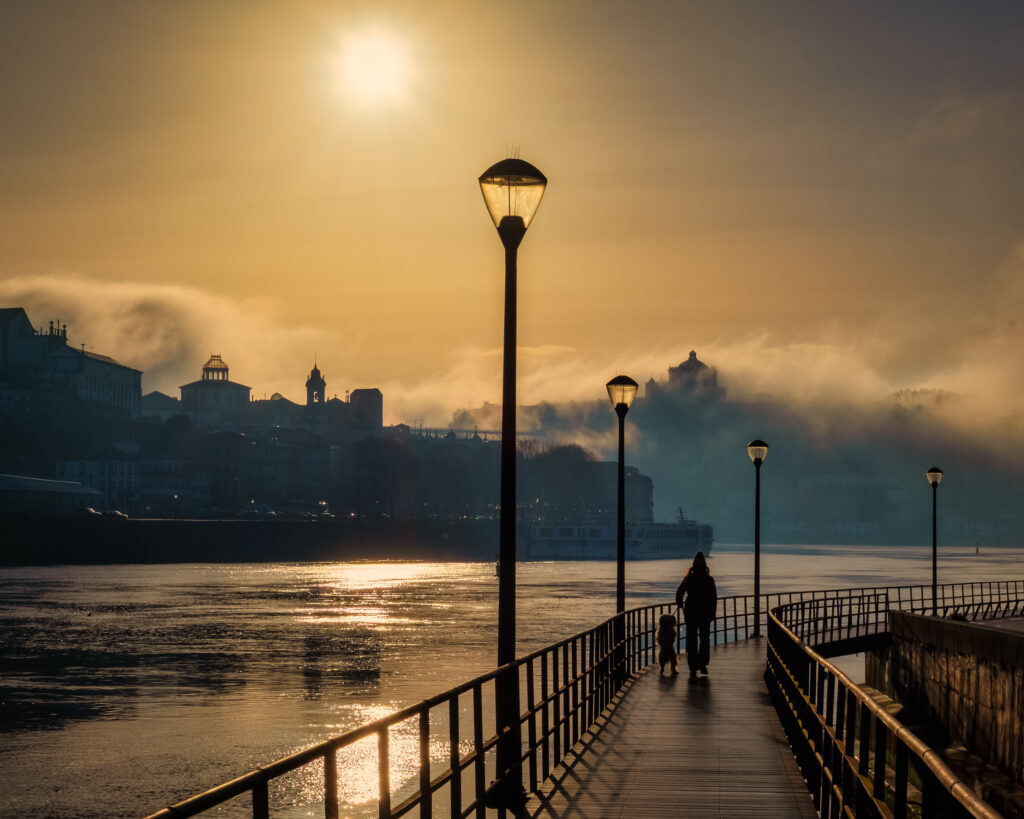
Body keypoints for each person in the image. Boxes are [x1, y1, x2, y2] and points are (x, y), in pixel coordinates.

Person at [675, 550, 718, 680]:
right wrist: (712, 613)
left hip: (691, 612)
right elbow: (713, 598)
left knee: (692, 640)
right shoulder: (709, 580)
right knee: (705, 639)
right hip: (705, 613)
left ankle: (693, 668)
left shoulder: (689, 578)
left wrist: (680, 605)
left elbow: (679, 593)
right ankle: (703, 664)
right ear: (705, 566)